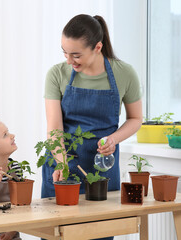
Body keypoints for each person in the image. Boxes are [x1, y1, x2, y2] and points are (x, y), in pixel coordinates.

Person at [42, 14, 142, 240]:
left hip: (102, 165)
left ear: (98, 47)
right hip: (62, 162)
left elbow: (135, 118)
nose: (69, 61)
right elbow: (54, 127)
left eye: (76, 55)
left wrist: (113, 139)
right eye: (65, 53)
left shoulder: (124, 73)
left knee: (100, 232)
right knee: (58, 233)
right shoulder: (56, 74)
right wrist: (61, 162)